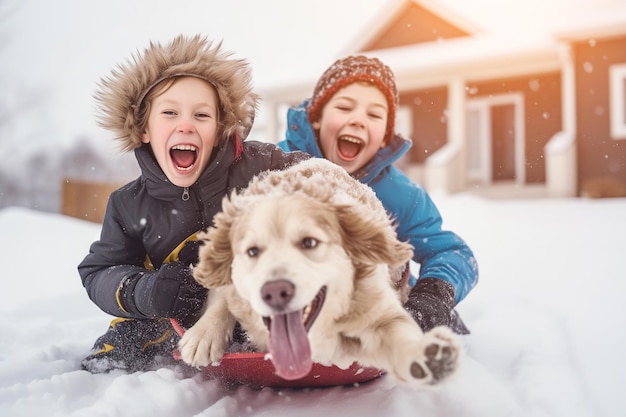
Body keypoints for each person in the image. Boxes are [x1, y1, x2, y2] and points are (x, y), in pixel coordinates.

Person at [79, 35, 308, 373]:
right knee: (144, 330)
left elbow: (318, 180)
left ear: (219, 129)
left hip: (261, 294)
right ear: (144, 129)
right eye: (170, 113)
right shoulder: (128, 204)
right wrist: (147, 291)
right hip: (176, 311)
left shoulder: (263, 165)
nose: (185, 124)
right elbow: (99, 271)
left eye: (202, 115)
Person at [277, 55, 478, 334]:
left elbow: (451, 252)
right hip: (284, 292)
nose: (358, 120)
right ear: (317, 119)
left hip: (368, 304)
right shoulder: (276, 167)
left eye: (374, 114)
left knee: (451, 332)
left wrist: (433, 295)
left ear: (385, 135)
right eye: (345, 107)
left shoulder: (400, 194)